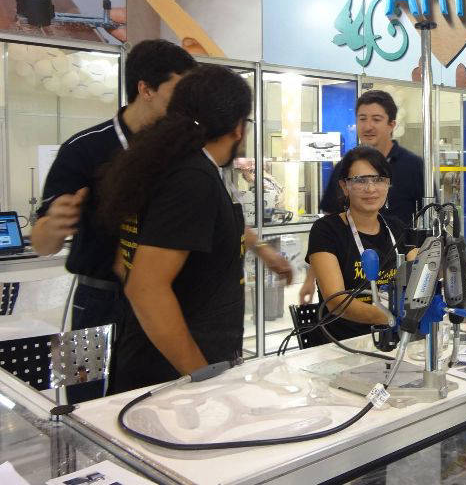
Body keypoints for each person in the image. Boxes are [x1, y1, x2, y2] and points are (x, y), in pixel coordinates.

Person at [98, 65, 289, 393]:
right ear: (238, 127)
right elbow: (145, 287)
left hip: (158, 358)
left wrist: (262, 249)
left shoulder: (170, 165)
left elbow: (125, 262)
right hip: (172, 376)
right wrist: (201, 377)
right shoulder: (192, 178)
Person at [31, 39, 196, 402]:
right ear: (146, 89)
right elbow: (43, 243)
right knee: (82, 402)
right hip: (94, 300)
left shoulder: (182, 153)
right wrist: (53, 225)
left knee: (159, 401)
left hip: (163, 296)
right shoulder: (83, 148)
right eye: (178, 92)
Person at [299, 90, 423, 303]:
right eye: (362, 119)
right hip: (355, 312)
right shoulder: (344, 169)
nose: (370, 188)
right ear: (345, 186)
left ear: (392, 125)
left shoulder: (413, 167)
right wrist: (312, 278)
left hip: (394, 294)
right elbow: (324, 241)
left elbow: (419, 274)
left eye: (376, 119)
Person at [305, 146, 403, 340]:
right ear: (344, 186)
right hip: (344, 344)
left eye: (378, 179)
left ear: (388, 184)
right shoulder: (326, 230)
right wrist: (395, 317)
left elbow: (421, 278)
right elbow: (337, 302)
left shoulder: (397, 229)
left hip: (395, 338)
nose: (370, 189)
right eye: (360, 180)